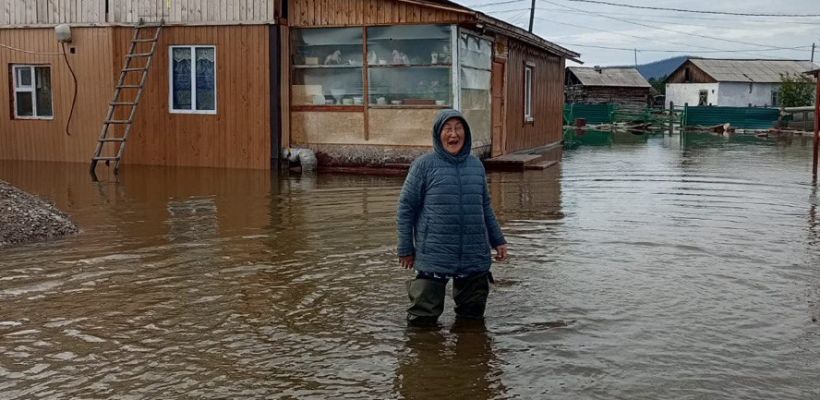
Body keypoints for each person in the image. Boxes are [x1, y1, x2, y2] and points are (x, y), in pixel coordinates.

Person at [397, 109, 508, 327]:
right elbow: (406, 207)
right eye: (447, 129)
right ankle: (425, 358)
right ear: (438, 134)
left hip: (473, 252)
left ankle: (469, 357)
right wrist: (405, 248)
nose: (453, 134)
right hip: (434, 253)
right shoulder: (423, 166)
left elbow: (485, 206)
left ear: (466, 133)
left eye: (458, 128)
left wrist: (498, 240)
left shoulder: (476, 165)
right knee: (422, 322)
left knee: (472, 319)